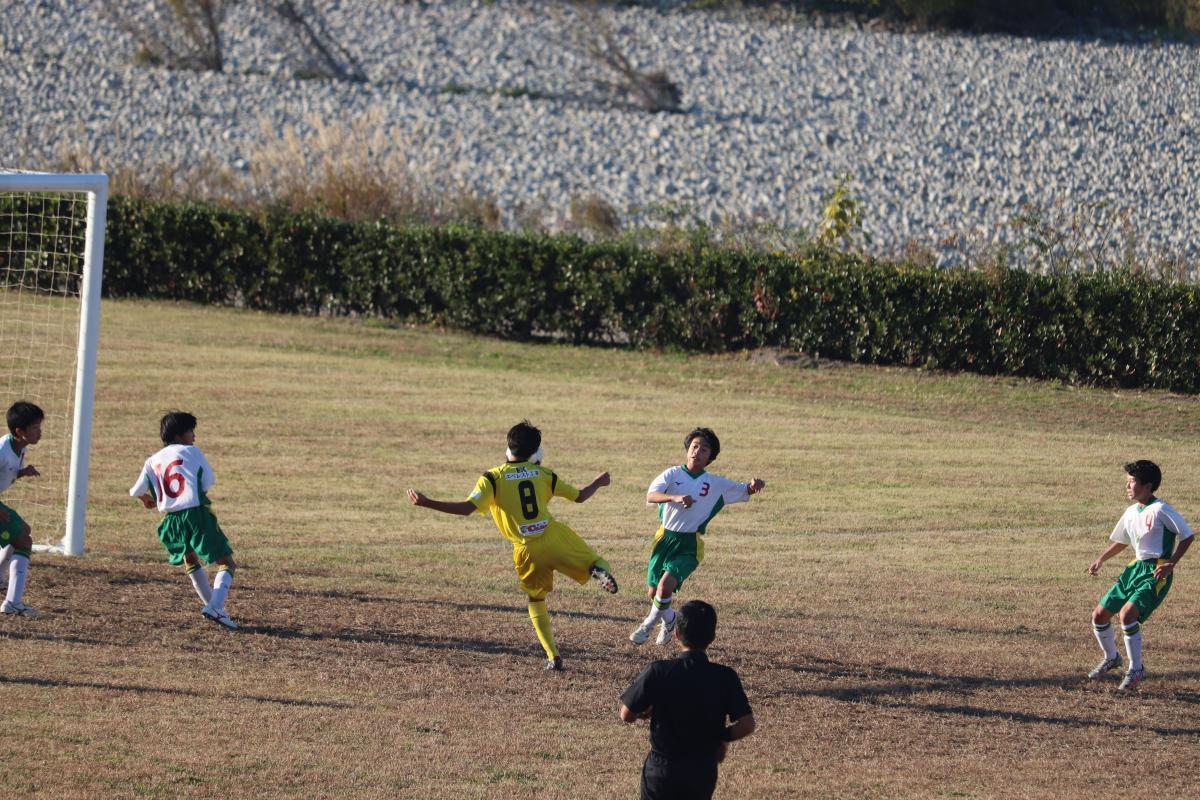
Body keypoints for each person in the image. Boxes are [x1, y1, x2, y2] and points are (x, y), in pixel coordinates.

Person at [407, 420, 618, 671]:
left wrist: (427, 502)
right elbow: (580, 496)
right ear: (536, 452)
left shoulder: (492, 478)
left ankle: (553, 656)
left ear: (508, 447)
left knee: (536, 599)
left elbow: (466, 509)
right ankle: (597, 571)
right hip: (554, 536)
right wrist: (598, 482)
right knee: (595, 561)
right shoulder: (544, 474)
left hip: (526, 551)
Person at [630, 427, 764, 645]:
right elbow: (651, 495)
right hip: (664, 539)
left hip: (689, 544)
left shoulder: (715, 484)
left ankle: (647, 625)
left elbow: (743, 489)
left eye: (704, 449)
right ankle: (670, 620)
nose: (697, 452)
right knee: (654, 593)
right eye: (694, 446)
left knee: (665, 587)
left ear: (710, 457)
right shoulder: (672, 474)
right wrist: (674, 497)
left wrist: (754, 486)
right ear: (687, 449)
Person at [619, 599, 756, 800]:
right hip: (702, 771)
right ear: (713, 637)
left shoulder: (658, 671)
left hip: (661, 771)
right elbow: (747, 724)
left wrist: (643, 714)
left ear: (676, 634)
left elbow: (626, 715)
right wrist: (720, 737)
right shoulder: (725, 677)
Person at [1087, 459, 1193, 691]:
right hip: (1134, 569)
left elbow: (1187, 536)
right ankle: (1112, 658)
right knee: (1099, 615)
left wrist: (1171, 564)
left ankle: (1136, 668)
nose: (1127, 486)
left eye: (1132, 482)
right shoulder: (1131, 512)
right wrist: (1101, 559)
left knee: (1127, 615)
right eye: (1127, 482)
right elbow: (1122, 541)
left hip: (1156, 571)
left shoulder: (1161, 509)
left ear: (1148, 486)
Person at [130, 411, 239, 630]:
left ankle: (214, 608)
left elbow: (136, 490)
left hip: (171, 520)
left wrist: (146, 499)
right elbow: (208, 481)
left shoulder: (152, 461)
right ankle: (216, 607)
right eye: (191, 431)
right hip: (195, 514)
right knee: (227, 562)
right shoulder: (192, 452)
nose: (194, 436)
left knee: (190, 560)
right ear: (179, 435)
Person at [0, 401, 44, 616]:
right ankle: (13, 603)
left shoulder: (19, 446)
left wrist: (22, 472)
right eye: (35, 427)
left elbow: (6, 473)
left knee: (23, 531)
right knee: (24, 541)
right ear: (20, 431)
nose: (40, 432)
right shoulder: (2, 450)